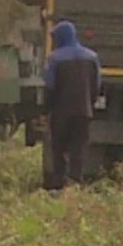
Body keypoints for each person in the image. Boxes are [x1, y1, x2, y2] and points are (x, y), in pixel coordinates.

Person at [42, 20, 102, 190]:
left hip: (60, 114)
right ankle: (76, 185)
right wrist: (90, 104)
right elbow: (96, 86)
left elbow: (50, 88)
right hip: (83, 113)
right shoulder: (92, 57)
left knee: (59, 150)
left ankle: (58, 185)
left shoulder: (54, 58)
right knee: (78, 151)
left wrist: (46, 110)